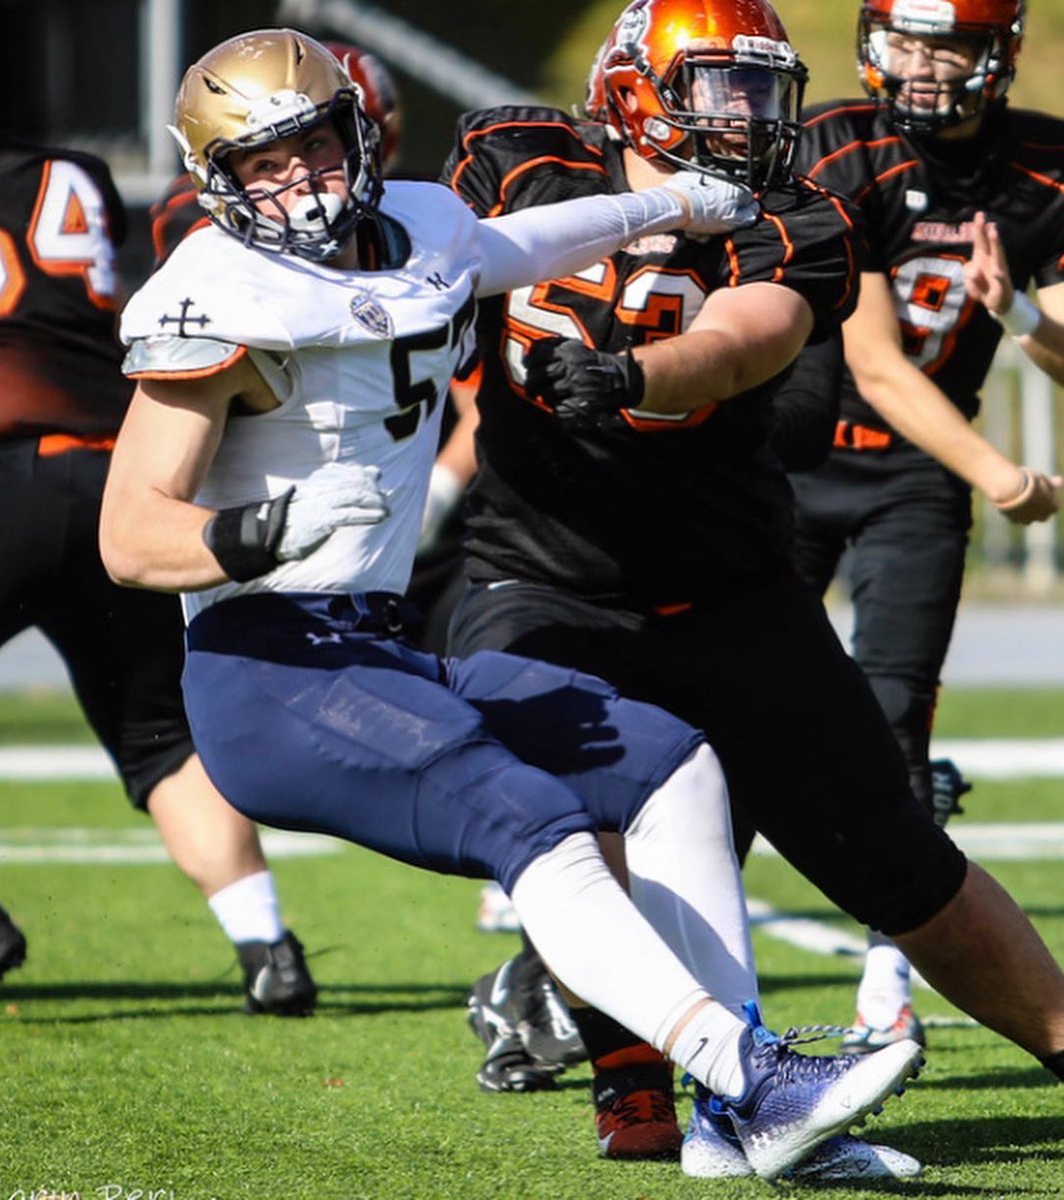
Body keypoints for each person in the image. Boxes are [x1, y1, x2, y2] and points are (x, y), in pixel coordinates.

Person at [96, 28, 925, 1184]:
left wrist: (665, 205)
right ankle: (748, 1070)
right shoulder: (217, 296)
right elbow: (130, 535)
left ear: (356, 134)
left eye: (316, 147)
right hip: (267, 671)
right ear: (217, 184)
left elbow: (512, 243)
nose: (301, 183)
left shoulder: (425, 227)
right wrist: (254, 533)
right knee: (523, 811)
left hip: (378, 649)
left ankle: (742, 1122)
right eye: (263, 166)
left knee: (670, 763)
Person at [438, 0, 1064, 1178]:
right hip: (541, 577)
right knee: (578, 820)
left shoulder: (796, 215)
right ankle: (645, 1095)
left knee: (895, 856)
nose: (749, 118)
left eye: (765, 90)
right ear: (632, 88)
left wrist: (633, 372)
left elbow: (751, 334)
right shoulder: (515, 153)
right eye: (720, 88)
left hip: (731, 590)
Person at [791, 0, 1064, 1053]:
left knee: (895, 724)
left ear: (996, 54)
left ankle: (884, 985)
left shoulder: (1042, 166)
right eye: (904, 39)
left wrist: (1025, 314)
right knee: (709, 712)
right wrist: (1001, 474)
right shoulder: (836, 144)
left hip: (915, 480)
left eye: (945, 44)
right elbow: (872, 363)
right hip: (789, 465)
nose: (919, 64)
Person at [0, 131, 316, 1015]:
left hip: (6, 470)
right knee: (158, 735)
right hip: (117, 477)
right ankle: (267, 945)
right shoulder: (77, 175)